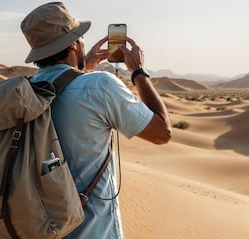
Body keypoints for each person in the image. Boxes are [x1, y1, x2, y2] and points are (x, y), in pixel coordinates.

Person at [21, 2, 172, 238]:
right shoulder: (99, 86)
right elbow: (162, 132)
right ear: (73, 44)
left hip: (38, 229)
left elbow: (64, 89)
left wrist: (81, 68)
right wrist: (138, 72)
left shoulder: (26, 92)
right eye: (79, 37)